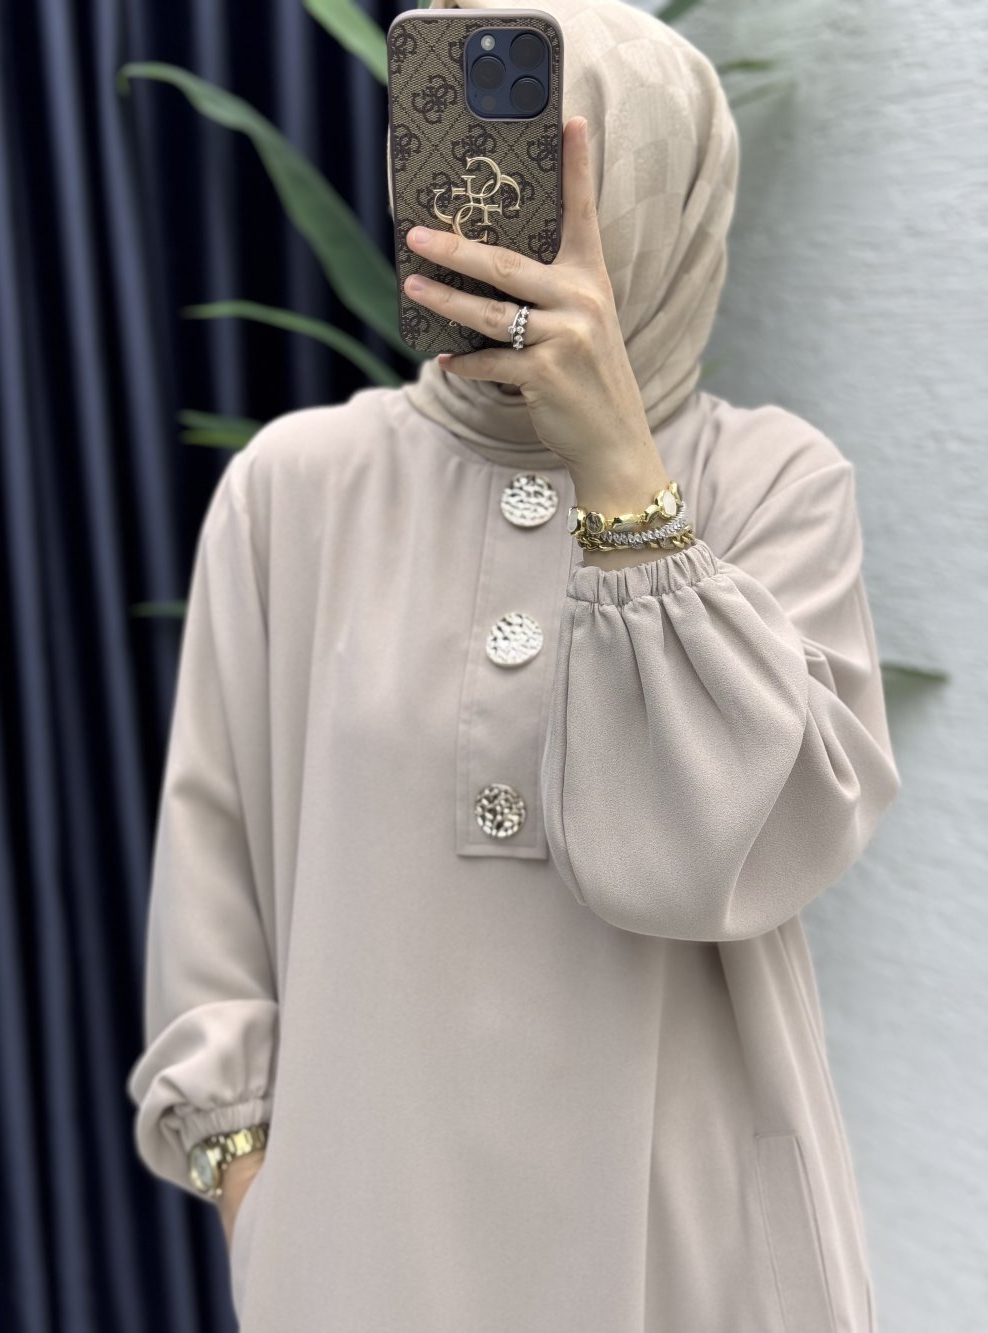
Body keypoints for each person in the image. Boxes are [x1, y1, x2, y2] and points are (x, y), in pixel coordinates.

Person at [125, 0, 902, 1328]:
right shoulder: (298, 488)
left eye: (568, 176)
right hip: (363, 1261)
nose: (502, 217)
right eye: (469, 160)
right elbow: (214, 879)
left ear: (663, 193)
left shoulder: (774, 485)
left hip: (681, 1258)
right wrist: (250, 1183)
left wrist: (622, 477)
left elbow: (737, 855)